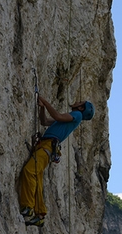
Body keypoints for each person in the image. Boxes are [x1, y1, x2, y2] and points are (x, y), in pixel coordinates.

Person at [19, 95, 95, 227]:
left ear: (81, 108)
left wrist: (45, 101)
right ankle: (40, 214)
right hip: (45, 146)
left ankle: (28, 206)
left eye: (80, 102)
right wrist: (42, 108)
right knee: (37, 178)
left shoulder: (77, 115)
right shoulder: (67, 120)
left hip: (47, 146)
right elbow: (44, 121)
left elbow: (58, 116)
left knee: (29, 171)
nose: (77, 101)